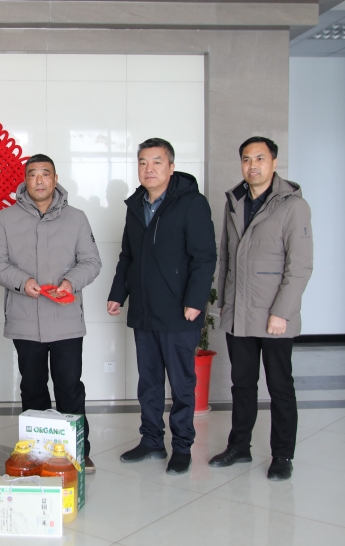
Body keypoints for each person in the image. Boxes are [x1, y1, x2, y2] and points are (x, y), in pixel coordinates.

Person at [0, 154, 101, 474]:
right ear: (25, 180)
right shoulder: (7, 218)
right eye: (33, 174)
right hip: (25, 320)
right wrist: (23, 282)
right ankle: (36, 453)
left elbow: (91, 261)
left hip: (66, 320)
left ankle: (78, 452)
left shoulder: (76, 218)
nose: (39, 180)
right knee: (33, 389)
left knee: (69, 389)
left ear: (55, 178)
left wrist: (70, 282)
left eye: (45, 174)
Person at [107, 138, 216, 475]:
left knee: (181, 384)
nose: (149, 169)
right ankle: (152, 440)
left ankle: (182, 446)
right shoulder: (135, 205)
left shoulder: (191, 203)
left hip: (180, 311)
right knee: (149, 381)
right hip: (144, 308)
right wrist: (118, 293)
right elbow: (128, 255)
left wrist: (195, 301)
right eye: (142, 162)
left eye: (156, 162)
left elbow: (204, 257)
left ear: (171, 167)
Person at [208, 137, 313, 481]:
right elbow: (226, 257)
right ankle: (239, 446)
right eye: (246, 159)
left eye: (259, 158)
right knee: (242, 384)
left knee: (280, 386)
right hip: (239, 312)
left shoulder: (293, 206)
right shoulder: (235, 201)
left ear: (274, 163)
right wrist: (224, 304)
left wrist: (282, 312)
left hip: (274, 316)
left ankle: (283, 455)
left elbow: (300, 266)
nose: (252, 165)